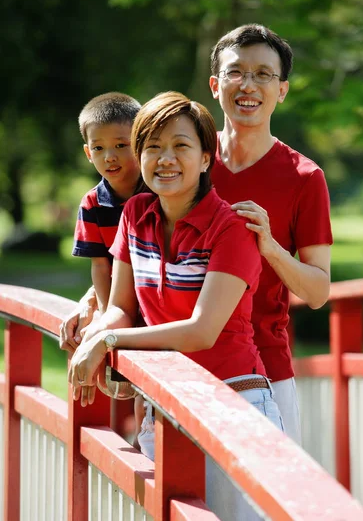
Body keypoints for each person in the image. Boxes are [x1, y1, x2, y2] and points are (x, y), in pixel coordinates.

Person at [68, 91, 284, 521]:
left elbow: (201, 331)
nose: (165, 159)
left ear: (206, 158)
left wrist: (109, 340)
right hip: (161, 408)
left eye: (181, 146)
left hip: (232, 403)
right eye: (153, 147)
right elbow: (121, 307)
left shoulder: (232, 229)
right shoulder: (134, 214)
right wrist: (94, 335)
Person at [209, 24, 333, 444]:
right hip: (184, 365)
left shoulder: (304, 176)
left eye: (263, 74)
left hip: (265, 373)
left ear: (281, 90)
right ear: (215, 84)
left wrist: (272, 249)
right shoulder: (186, 163)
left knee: (266, 509)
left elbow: (317, 291)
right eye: (236, 72)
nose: (248, 84)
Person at [59, 92, 143, 352]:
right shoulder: (92, 204)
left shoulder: (159, 194)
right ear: (87, 152)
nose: (109, 156)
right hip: (120, 304)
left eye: (120, 145)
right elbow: (99, 265)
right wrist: (108, 315)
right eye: (98, 148)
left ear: (140, 142)